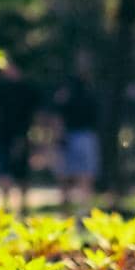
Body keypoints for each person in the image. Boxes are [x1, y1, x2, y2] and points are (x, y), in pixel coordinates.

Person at [0, 63, 38, 213]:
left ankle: (22, 205)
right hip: (4, 135)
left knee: (20, 173)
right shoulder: (3, 88)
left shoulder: (24, 89)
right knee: (5, 171)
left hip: (20, 136)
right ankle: (6, 204)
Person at [56, 69, 100, 211]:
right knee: (85, 177)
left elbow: (58, 117)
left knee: (67, 177)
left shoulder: (66, 95)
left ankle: (67, 211)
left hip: (72, 136)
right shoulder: (91, 94)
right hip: (86, 137)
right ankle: (83, 210)